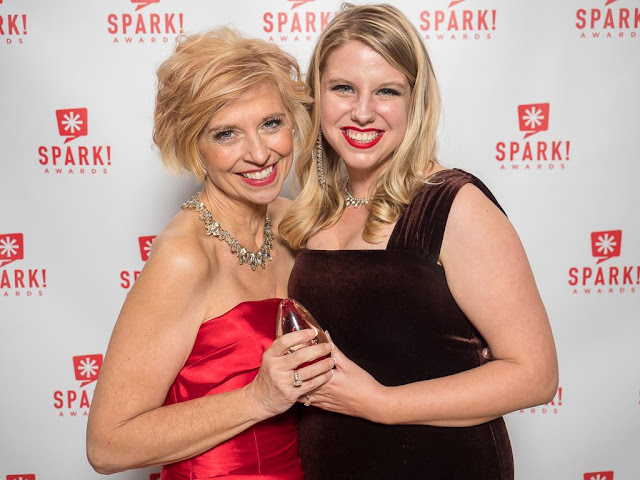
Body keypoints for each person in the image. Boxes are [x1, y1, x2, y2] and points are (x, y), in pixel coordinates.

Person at [279, 4, 559, 479]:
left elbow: (536, 375)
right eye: (343, 88)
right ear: (317, 95)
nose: (362, 112)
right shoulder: (312, 211)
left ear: (416, 100)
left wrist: (383, 403)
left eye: (387, 91)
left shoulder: (453, 203)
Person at [86, 27, 335, 479]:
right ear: (193, 145)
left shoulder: (293, 223)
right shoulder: (185, 257)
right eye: (226, 134)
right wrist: (258, 398)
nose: (259, 153)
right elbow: (107, 446)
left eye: (271, 123)